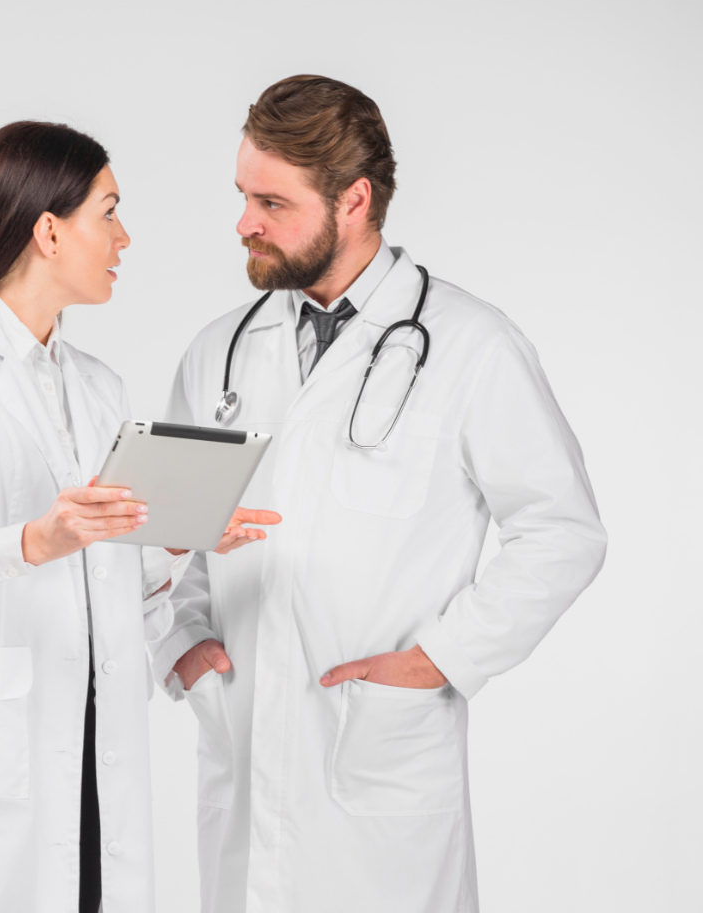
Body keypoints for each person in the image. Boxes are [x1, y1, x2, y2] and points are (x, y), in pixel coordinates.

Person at [149, 76, 607, 913]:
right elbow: (166, 533)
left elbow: (563, 531)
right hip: (245, 748)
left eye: (271, 202)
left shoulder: (472, 345)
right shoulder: (218, 353)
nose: (243, 223)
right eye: (243, 196)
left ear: (353, 199)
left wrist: (441, 659)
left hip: (381, 754)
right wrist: (180, 641)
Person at [0, 121, 279, 913]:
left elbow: (106, 581)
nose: (126, 237)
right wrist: (31, 542)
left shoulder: (98, 387)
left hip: (91, 743)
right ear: (48, 230)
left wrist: (180, 535)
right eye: (108, 213)